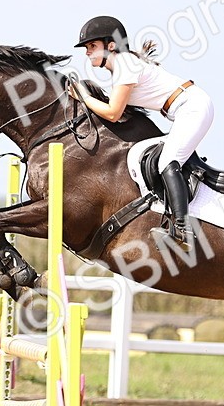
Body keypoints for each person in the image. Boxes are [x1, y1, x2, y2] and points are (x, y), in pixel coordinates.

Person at [68, 15, 212, 251]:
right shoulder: (123, 66)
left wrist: (84, 97)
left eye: (92, 46)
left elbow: (113, 113)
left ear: (110, 45)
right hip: (186, 108)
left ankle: (182, 230)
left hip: (193, 107)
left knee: (168, 160)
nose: (87, 52)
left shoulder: (124, 64)